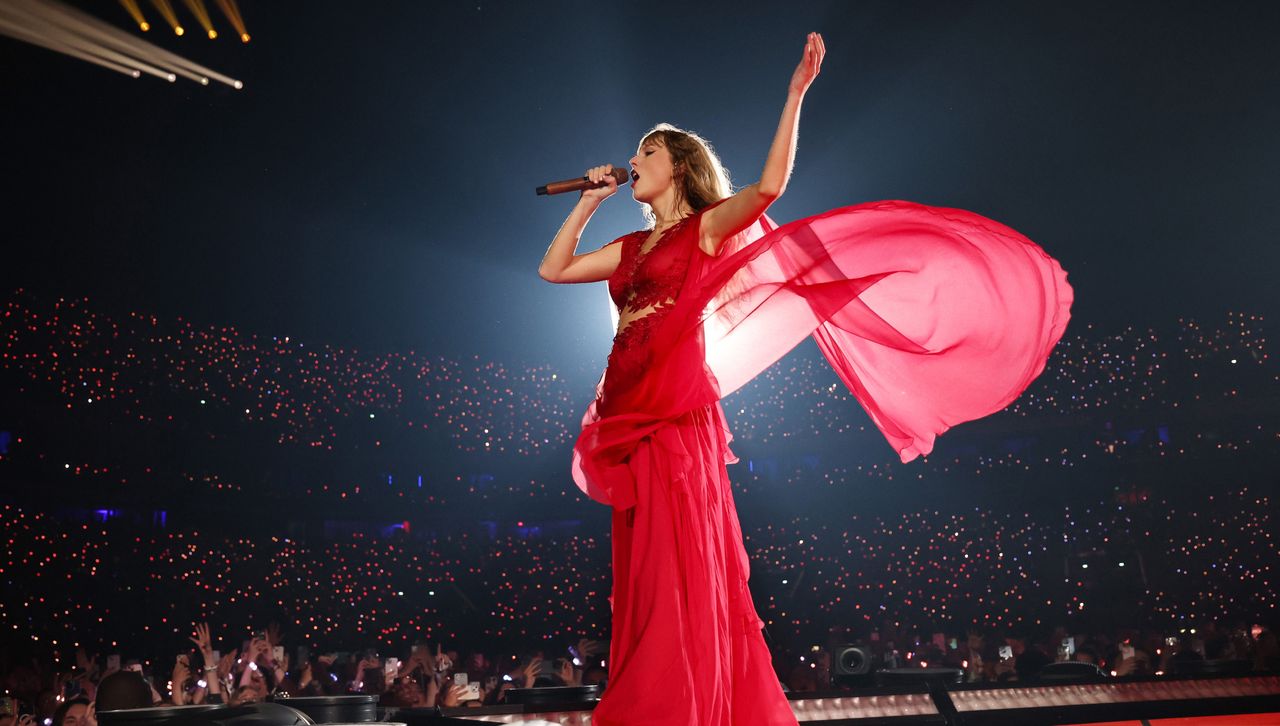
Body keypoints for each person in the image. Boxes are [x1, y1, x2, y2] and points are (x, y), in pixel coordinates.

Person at [538, 33, 1071, 726]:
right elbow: (554, 270)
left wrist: (794, 95)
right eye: (636, 153)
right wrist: (589, 201)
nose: (632, 159)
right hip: (626, 405)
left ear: (678, 167)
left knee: (680, 568)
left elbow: (768, 189)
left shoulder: (702, 231)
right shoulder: (630, 246)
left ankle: (682, 705)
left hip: (672, 411)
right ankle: (661, 694)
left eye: (646, 152)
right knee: (640, 570)